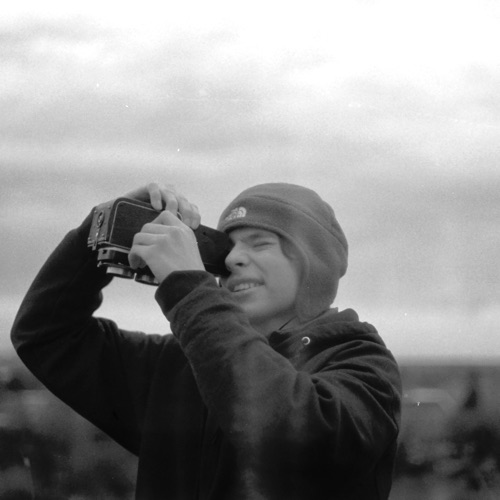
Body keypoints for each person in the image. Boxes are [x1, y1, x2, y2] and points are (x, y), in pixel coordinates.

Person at [11, 181, 402, 500]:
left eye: (260, 243)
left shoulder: (362, 364)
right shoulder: (177, 365)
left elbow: (295, 439)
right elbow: (45, 333)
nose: (232, 260)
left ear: (313, 263)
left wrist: (188, 289)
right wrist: (99, 229)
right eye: (228, 248)